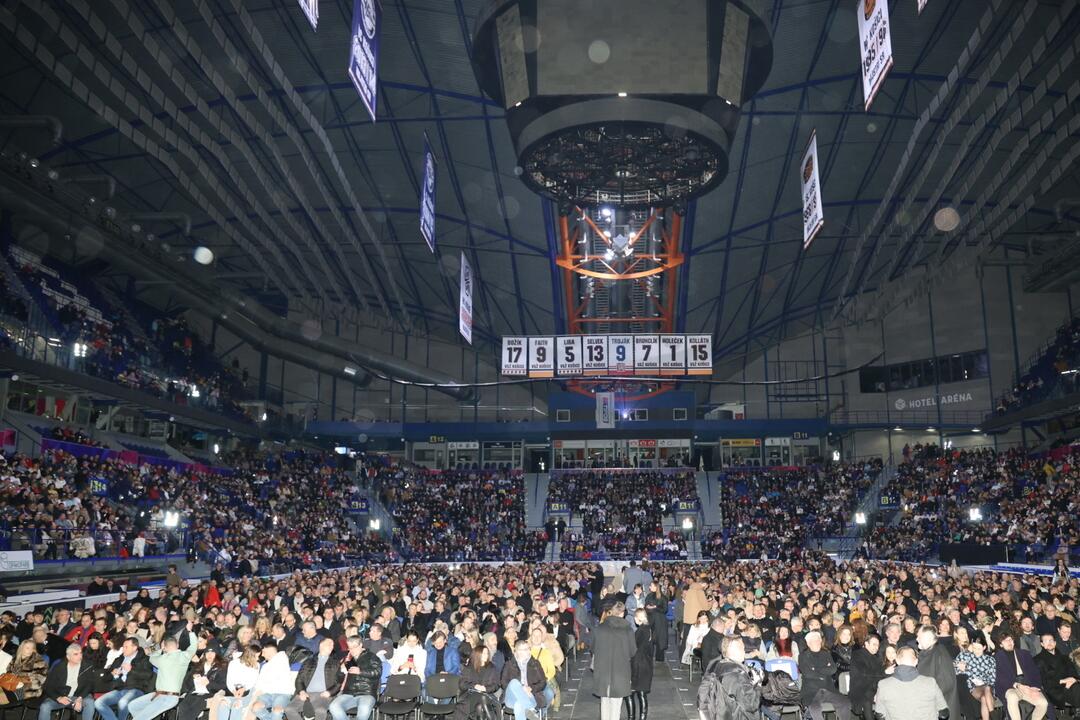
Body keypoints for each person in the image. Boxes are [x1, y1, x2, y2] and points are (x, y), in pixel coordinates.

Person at [127, 624, 198, 720]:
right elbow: (194, 646)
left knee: (137, 714)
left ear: (164, 646)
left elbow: (151, 657)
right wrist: (190, 631)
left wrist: (160, 649)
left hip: (167, 698)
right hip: (161, 695)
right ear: (177, 645)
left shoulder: (161, 659)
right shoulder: (184, 656)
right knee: (133, 706)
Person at [873, 646, 947, 720]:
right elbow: (944, 713)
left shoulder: (883, 685)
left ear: (897, 661)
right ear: (916, 662)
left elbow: (879, 715)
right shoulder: (930, 682)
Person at [698, 636, 761, 720]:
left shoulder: (716, 665)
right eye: (742, 648)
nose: (744, 651)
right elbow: (751, 704)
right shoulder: (737, 675)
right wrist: (758, 684)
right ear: (736, 650)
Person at [593, 601, 635, 720]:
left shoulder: (600, 628)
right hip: (620, 672)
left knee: (604, 703)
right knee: (616, 706)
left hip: (603, 671)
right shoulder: (628, 630)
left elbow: (593, 648)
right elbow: (632, 651)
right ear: (622, 613)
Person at [993, 632, 1049, 720]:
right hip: (1011, 686)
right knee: (1012, 697)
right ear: (1001, 644)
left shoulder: (1024, 654)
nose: (1009, 642)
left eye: (1010, 640)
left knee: (1043, 703)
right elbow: (1000, 677)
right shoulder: (997, 657)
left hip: (1028, 686)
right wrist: (1017, 685)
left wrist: (1035, 687)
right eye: (1005, 641)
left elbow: (1035, 672)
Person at [96, 637, 155, 720]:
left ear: (134, 648)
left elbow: (148, 675)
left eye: (126, 647)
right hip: (119, 689)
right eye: (123, 647)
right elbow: (106, 675)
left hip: (136, 689)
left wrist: (132, 670)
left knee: (123, 702)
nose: (123, 649)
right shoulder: (119, 659)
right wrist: (112, 673)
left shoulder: (144, 659)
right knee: (98, 702)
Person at [798, 630, 851, 720]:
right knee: (815, 709)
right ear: (808, 643)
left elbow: (833, 669)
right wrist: (825, 670)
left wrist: (815, 669)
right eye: (814, 640)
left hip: (828, 689)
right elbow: (807, 673)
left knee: (845, 703)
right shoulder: (803, 656)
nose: (817, 642)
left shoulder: (826, 654)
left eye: (818, 640)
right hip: (811, 692)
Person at [38, 644, 97, 720]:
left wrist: (80, 698)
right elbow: (48, 686)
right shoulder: (59, 667)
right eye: (76, 654)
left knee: (90, 702)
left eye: (80, 653)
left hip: (79, 695)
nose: (80, 656)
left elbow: (90, 685)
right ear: (68, 657)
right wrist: (58, 698)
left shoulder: (87, 666)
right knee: (45, 706)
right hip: (62, 696)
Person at [287, 637, 340, 720]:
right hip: (306, 694)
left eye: (333, 645)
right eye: (329, 644)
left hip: (323, 695)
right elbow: (299, 679)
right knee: (289, 709)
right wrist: (301, 691)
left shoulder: (335, 663)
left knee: (320, 711)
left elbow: (338, 682)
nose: (332, 647)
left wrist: (329, 692)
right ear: (321, 645)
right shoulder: (308, 661)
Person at [327, 636, 380, 720]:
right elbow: (339, 679)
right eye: (349, 648)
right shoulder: (347, 659)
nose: (351, 650)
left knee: (364, 709)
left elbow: (377, 672)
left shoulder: (372, 657)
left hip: (366, 692)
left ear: (361, 645)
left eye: (354, 647)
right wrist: (341, 671)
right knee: (333, 706)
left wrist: (361, 671)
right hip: (348, 693)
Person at [915, 625, 962, 720]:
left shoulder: (939, 653)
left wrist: (929, 697)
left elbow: (947, 682)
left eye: (919, 637)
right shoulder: (928, 653)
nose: (917, 639)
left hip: (940, 707)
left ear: (927, 638)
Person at [176, 641, 227, 720]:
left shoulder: (222, 667)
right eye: (207, 652)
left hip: (210, 693)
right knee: (183, 705)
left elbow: (223, 686)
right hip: (195, 692)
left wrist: (209, 683)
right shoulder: (199, 666)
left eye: (212, 652)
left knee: (197, 703)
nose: (209, 655)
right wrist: (194, 679)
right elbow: (187, 683)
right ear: (204, 654)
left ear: (217, 654)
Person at [500, 639, 547, 720]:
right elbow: (503, 683)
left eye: (528, 648)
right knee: (514, 682)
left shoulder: (535, 663)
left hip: (530, 695)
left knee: (519, 705)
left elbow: (543, 682)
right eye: (525, 649)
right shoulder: (509, 664)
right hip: (512, 697)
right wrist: (521, 688)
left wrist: (531, 688)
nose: (528, 651)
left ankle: (530, 710)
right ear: (517, 651)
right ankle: (531, 710)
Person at [954, 635, 996, 720]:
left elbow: (992, 678)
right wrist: (961, 667)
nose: (976, 651)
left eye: (979, 648)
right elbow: (954, 667)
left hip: (987, 686)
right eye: (974, 648)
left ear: (984, 647)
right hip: (973, 686)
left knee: (985, 694)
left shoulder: (990, 660)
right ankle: (995, 717)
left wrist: (983, 681)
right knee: (986, 691)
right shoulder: (965, 656)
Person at [1034, 632, 1080, 709]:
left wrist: (1074, 679)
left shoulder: (1064, 657)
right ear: (1042, 644)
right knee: (1077, 689)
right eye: (1046, 641)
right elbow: (1044, 681)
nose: (1049, 643)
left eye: (1051, 640)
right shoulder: (1038, 660)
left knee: (1077, 688)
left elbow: (1073, 673)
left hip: (1072, 685)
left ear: (1055, 643)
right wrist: (1063, 682)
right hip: (1055, 690)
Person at [250, 643, 294, 720]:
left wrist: (262, 689)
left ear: (269, 651)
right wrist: (256, 692)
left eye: (263, 652)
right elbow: (259, 682)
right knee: (256, 707)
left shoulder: (282, 658)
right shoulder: (265, 666)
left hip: (282, 693)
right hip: (267, 694)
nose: (262, 655)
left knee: (277, 711)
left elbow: (276, 681)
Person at [218, 643, 260, 720]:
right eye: (256, 656)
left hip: (246, 692)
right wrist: (233, 691)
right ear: (250, 655)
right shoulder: (234, 663)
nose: (258, 659)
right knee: (223, 703)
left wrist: (243, 689)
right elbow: (229, 681)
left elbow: (253, 681)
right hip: (232, 691)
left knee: (237, 705)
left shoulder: (256, 665)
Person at [848, 634, 885, 720]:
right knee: (867, 697)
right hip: (860, 689)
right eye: (874, 644)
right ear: (866, 644)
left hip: (872, 688)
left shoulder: (876, 658)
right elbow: (865, 673)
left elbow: (878, 676)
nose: (876, 647)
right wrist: (884, 672)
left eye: (878, 645)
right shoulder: (857, 655)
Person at [0, 639, 47, 704]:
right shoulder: (15, 658)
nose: (30, 650)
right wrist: (13, 680)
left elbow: (38, 681)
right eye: (27, 648)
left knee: (1, 698)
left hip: (28, 689)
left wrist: (20, 681)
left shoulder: (38, 662)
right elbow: (9, 672)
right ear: (21, 648)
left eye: (32, 648)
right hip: (12, 684)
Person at [628, 609, 654, 720]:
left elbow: (633, 648)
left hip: (637, 664)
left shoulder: (640, 631)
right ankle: (643, 717)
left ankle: (631, 717)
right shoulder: (649, 630)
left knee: (630, 693)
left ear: (638, 618)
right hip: (647, 664)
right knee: (642, 693)